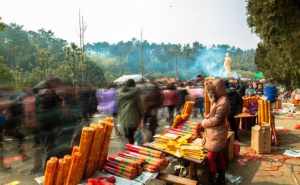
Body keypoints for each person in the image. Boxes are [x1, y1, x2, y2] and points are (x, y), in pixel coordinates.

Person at [201, 79, 229, 185]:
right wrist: (208, 115)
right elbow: (214, 113)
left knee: (210, 157)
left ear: (219, 89)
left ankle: (214, 178)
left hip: (218, 133)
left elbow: (217, 120)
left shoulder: (223, 102)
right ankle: (221, 177)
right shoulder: (219, 99)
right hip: (216, 133)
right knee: (219, 155)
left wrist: (204, 122)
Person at [117, 79, 144, 144]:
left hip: (123, 117)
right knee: (134, 134)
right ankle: (132, 147)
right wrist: (142, 114)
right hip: (134, 117)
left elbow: (118, 106)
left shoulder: (120, 94)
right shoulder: (136, 94)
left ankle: (130, 145)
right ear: (134, 85)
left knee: (129, 135)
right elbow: (140, 106)